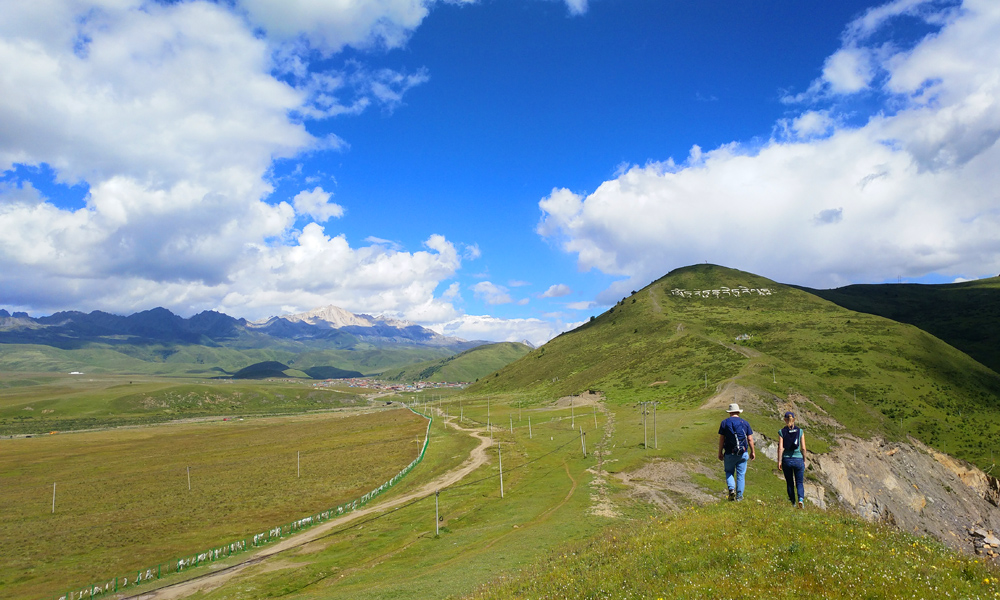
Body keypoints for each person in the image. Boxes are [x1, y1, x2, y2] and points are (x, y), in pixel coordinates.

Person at [717, 403, 755, 501]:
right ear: (738, 412)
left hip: (729, 453)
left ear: (730, 413)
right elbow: (750, 439)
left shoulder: (724, 423)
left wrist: (720, 452)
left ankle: (731, 489)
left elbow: (722, 439)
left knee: (729, 471)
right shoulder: (745, 423)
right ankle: (739, 497)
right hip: (743, 453)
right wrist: (752, 451)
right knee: (741, 475)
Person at [777, 411, 807, 508]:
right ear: (794, 419)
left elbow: (781, 448)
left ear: (785, 420)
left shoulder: (782, 432)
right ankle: (801, 500)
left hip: (787, 459)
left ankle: (793, 502)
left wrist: (779, 461)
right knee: (799, 482)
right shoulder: (800, 431)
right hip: (798, 459)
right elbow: (803, 448)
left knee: (789, 482)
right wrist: (804, 460)